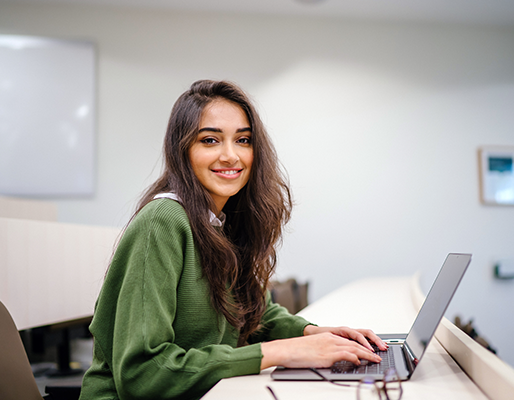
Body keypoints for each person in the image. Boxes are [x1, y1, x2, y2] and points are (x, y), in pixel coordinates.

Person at [79, 80, 387, 400]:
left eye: (243, 140)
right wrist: (281, 352)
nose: (230, 155)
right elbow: (142, 373)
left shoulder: (220, 221)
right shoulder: (163, 222)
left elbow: (255, 311)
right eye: (210, 140)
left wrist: (313, 334)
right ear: (182, 150)